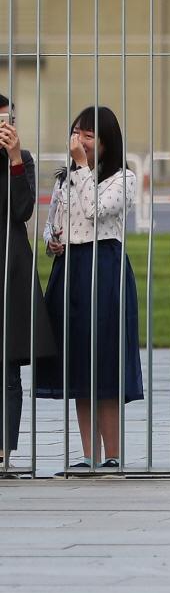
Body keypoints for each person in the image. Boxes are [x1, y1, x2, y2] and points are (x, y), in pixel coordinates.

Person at [35, 106, 143, 472]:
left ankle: (112, 454)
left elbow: (96, 210)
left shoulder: (123, 178)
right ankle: (87, 455)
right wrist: (52, 242)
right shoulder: (65, 179)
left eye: (89, 135)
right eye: (77, 133)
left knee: (105, 361)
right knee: (79, 361)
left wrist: (81, 168)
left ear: (106, 141)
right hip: (71, 267)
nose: (79, 141)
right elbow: (53, 222)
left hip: (105, 266)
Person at [0, 95, 55, 471]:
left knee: (8, 364)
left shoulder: (22, 160)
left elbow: (22, 210)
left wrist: (15, 160)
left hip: (11, 263)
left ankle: (4, 447)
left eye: (7, 120)